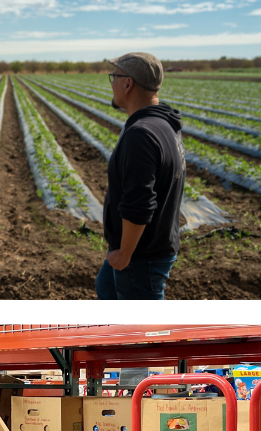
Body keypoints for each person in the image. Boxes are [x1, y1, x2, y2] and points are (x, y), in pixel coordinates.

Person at [97, 52, 186, 300]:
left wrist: (125, 254)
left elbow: (139, 202)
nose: (111, 82)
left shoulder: (141, 134)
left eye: (114, 77)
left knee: (139, 328)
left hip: (141, 255)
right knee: (105, 286)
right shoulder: (163, 122)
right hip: (154, 243)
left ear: (128, 84)